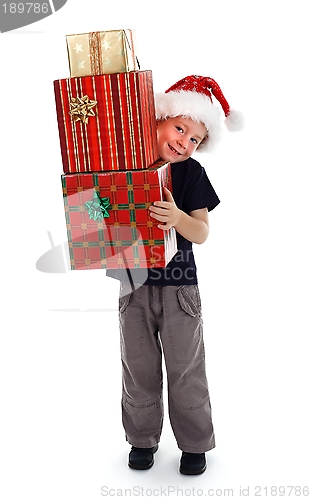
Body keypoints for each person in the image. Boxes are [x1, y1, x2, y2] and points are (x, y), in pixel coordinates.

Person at [106, 75, 243, 474]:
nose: (184, 141)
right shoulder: (128, 162)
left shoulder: (190, 174)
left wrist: (179, 217)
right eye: (180, 128)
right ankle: (142, 441)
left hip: (179, 284)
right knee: (138, 366)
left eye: (195, 138)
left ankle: (195, 444)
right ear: (159, 119)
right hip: (131, 283)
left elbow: (201, 232)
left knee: (186, 367)